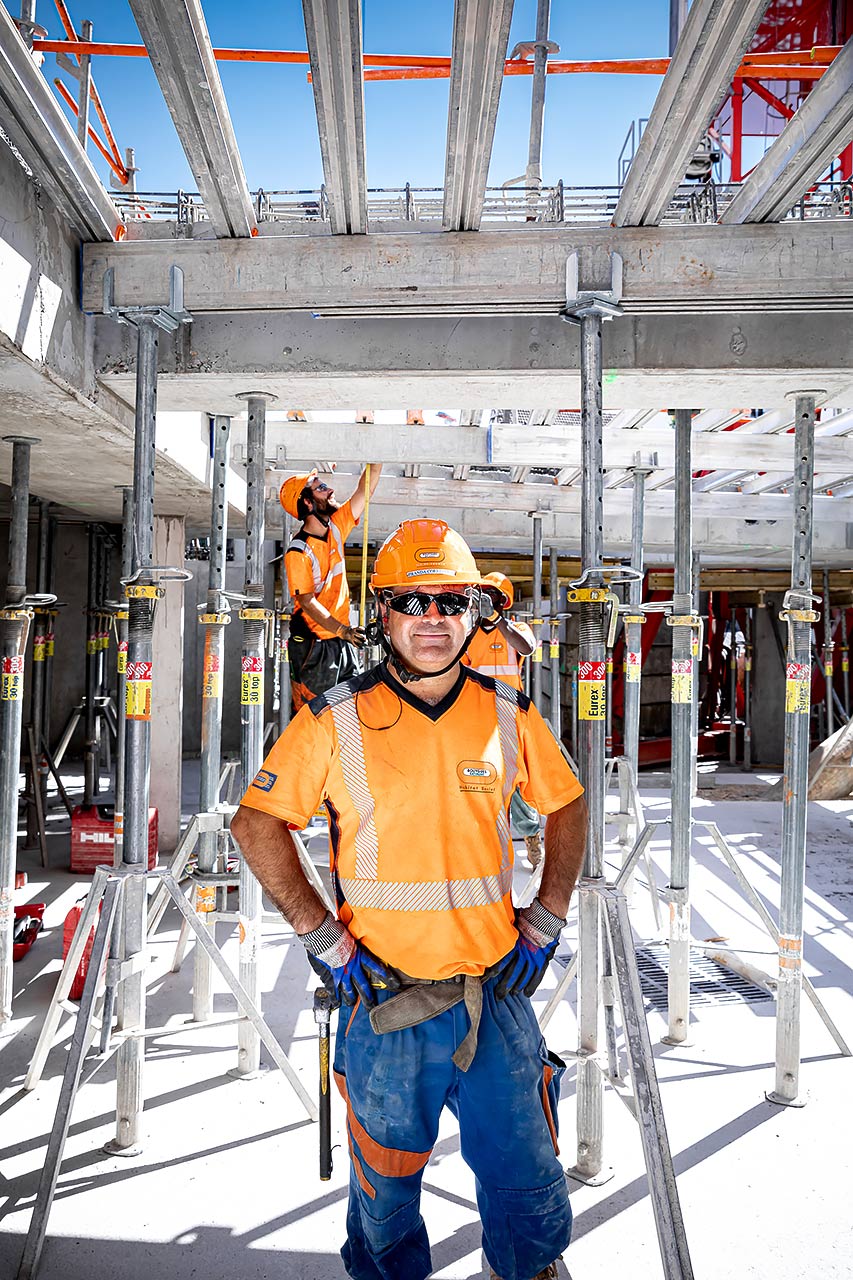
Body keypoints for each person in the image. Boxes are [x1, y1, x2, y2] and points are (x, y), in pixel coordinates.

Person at [231, 518, 588, 1280]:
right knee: (385, 1198)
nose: (433, 619)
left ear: (477, 613)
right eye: (412, 601)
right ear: (383, 614)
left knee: (527, 1185)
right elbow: (255, 825)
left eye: (450, 601)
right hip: (385, 1004)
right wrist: (320, 937)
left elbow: (567, 802)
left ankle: (525, 1271)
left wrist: (550, 911)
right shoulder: (332, 720)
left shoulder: (507, 711)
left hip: (495, 995)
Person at [279, 464, 382, 712]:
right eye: (321, 488)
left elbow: (365, 489)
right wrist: (343, 630)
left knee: (350, 713)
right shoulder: (298, 551)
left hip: (340, 641)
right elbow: (306, 601)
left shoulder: (335, 527)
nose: (330, 490)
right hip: (315, 647)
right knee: (316, 716)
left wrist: (377, 454)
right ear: (306, 504)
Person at [465, 570, 545, 870]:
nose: (488, 600)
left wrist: (496, 619)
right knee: (481, 780)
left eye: (493, 596)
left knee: (515, 780)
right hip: (477, 719)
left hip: (511, 718)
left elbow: (527, 646)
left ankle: (531, 835)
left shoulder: (515, 628)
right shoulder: (469, 633)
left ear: (504, 601)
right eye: (483, 595)